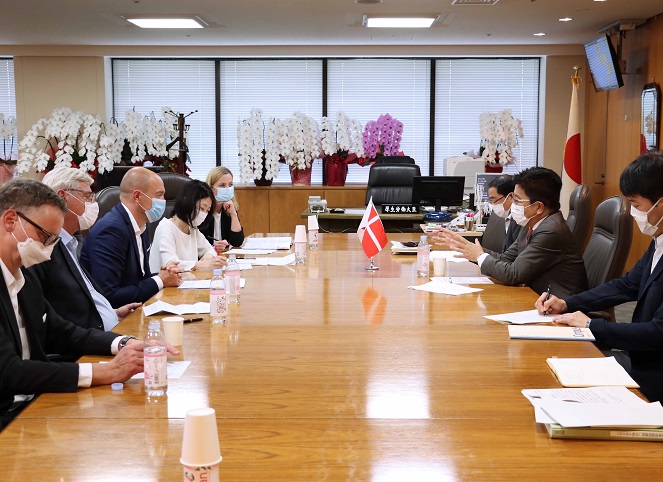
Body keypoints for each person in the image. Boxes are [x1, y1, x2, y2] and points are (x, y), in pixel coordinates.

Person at [0, 178, 179, 429]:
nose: (48, 250)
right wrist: (104, 372)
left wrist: (124, 343)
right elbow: (8, 371)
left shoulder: (24, 276)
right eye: (45, 236)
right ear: (10, 221)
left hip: (36, 401)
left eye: (54, 241)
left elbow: (61, 331)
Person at [537, 152, 663, 402]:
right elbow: (627, 285)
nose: (632, 213)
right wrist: (567, 304)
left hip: (654, 376)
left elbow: (658, 332)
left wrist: (591, 326)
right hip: (640, 359)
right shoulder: (658, 241)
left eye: (636, 205)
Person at [434, 167, 587, 298]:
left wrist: (479, 256)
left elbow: (513, 274)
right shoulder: (531, 223)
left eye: (518, 200)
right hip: (537, 297)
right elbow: (507, 259)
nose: (513, 204)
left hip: (561, 307)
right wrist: (470, 250)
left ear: (539, 207)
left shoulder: (550, 231)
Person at [29, 167, 141, 332]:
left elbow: (81, 303)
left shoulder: (71, 242)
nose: (93, 204)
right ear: (62, 196)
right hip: (90, 341)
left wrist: (112, 313)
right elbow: (60, 318)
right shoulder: (45, 249)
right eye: (87, 197)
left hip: (108, 328)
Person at [81, 167, 182, 308]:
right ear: (137, 196)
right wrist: (160, 280)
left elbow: (138, 279)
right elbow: (109, 296)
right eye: (159, 195)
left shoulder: (142, 225)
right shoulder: (111, 230)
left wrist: (166, 275)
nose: (163, 201)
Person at [149, 180, 227, 273]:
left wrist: (207, 259)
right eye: (201, 208)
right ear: (188, 202)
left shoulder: (192, 228)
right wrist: (200, 265)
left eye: (207, 210)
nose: (204, 214)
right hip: (165, 281)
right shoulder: (166, 227)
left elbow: (210, 250)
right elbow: (171, 264)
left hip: (187, 279)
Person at [201, 166, 244, 251]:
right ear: (211, 188)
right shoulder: (203, 210)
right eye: (222, 185)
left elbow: (237, 242)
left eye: (230, 185)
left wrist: (233, 214)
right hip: (205, 256)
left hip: (223, 256)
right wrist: (213, 247)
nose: (227, 189)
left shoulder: (228, 209)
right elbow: (197, 245)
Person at [480, 174, 522, 255]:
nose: (493, 205)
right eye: (490, 201)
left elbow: (512, 257)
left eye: (494, 200)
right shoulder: (507, 216)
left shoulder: (520, 220)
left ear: (511, 197)